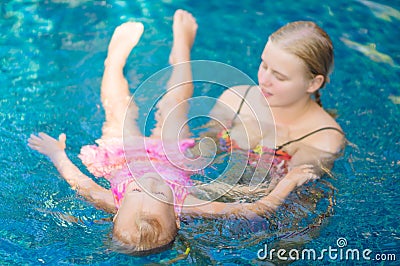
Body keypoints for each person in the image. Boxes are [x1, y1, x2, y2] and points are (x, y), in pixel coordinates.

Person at [28, 10, 318, 255]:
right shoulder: (189, 205)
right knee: (178, 101)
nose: (147, 180)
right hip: (171, 155)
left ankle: (113, 62)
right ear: (177, 218)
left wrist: (57, 154)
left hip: (120, 157)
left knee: (117, 108)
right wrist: (289, 181)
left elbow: (78, 181)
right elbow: (255, 209)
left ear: (116, 210)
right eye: (158, 192)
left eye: (137, 190)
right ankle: (181, 48)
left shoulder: (109, 199)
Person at [205, 21, 346, 180]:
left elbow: (289, 198)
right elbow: (200, 151)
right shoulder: (235, 100)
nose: (264, 80)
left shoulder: (321, 140)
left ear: (313, 83)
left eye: (279, 77)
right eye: (264, 66)